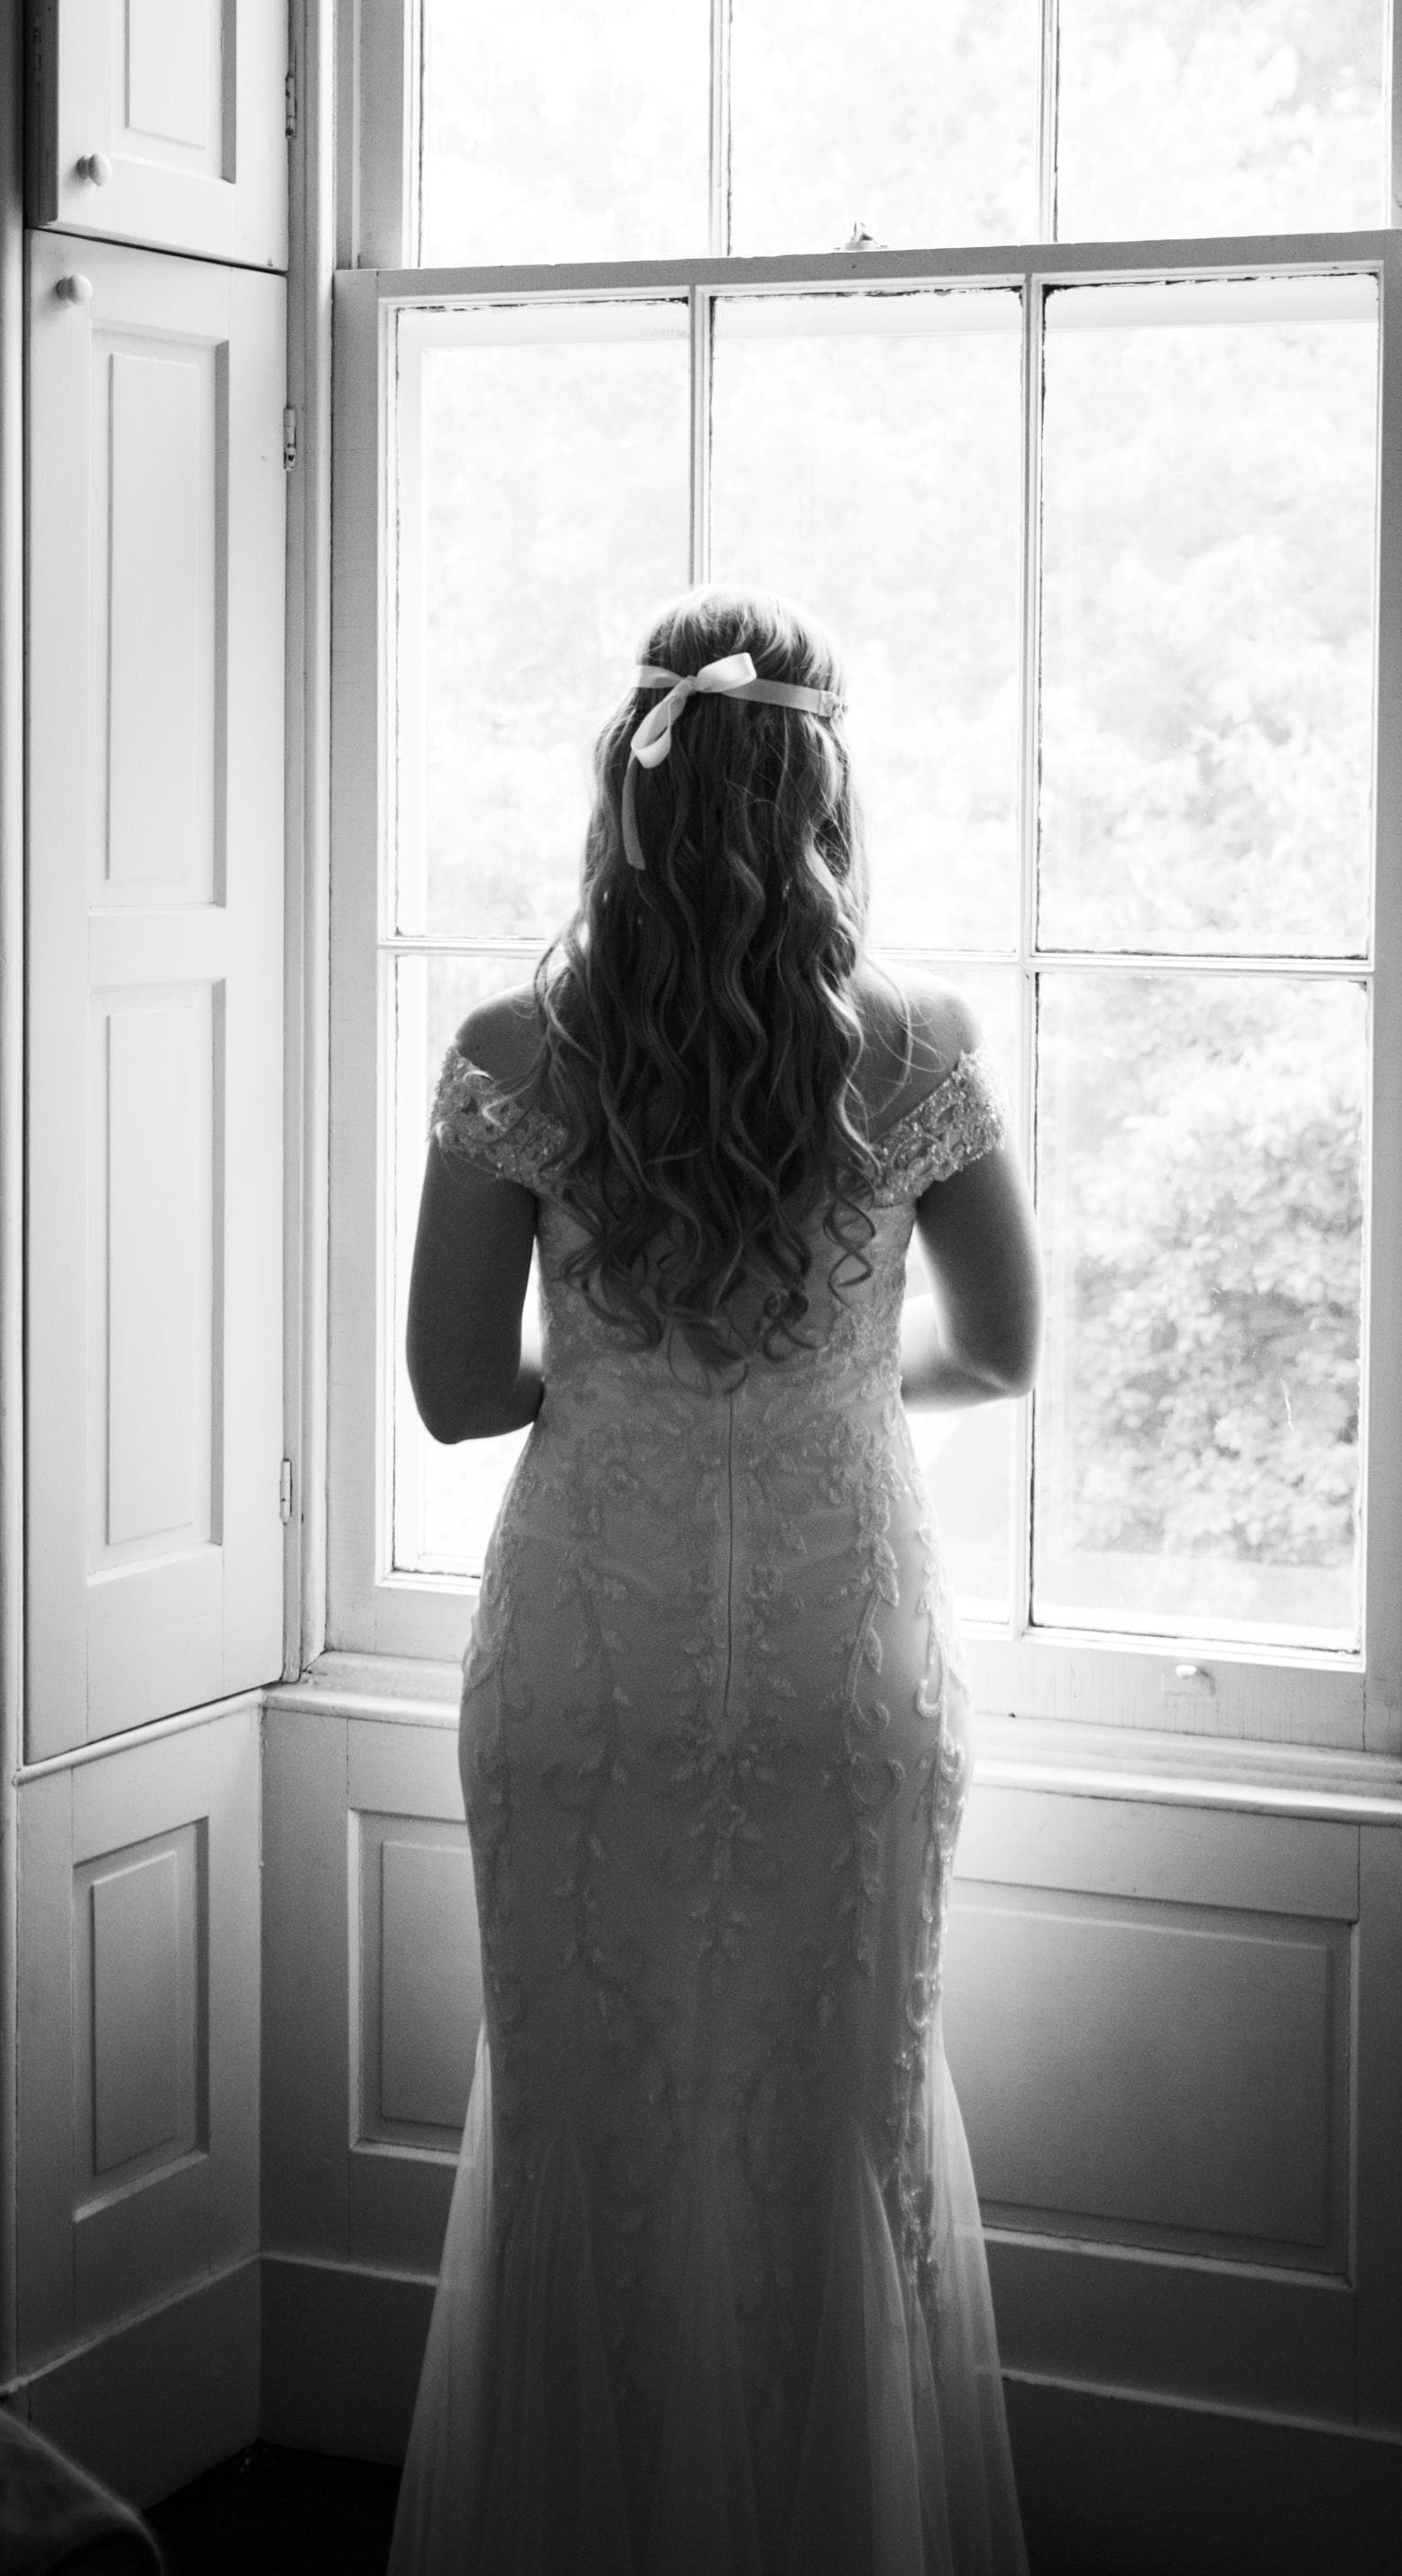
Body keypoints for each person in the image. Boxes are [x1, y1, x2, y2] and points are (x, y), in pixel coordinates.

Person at [387, 585, 1040, 2576]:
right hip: (840, 1660)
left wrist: (618, 1379)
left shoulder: (519, 1046)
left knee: (591, 2138)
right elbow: (1001, 1346)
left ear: (628, 782)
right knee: (830, 2139)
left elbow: (446, 1388)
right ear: (823, 787)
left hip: (588, 1643)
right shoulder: (914, 1045)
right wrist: (832, 1375)